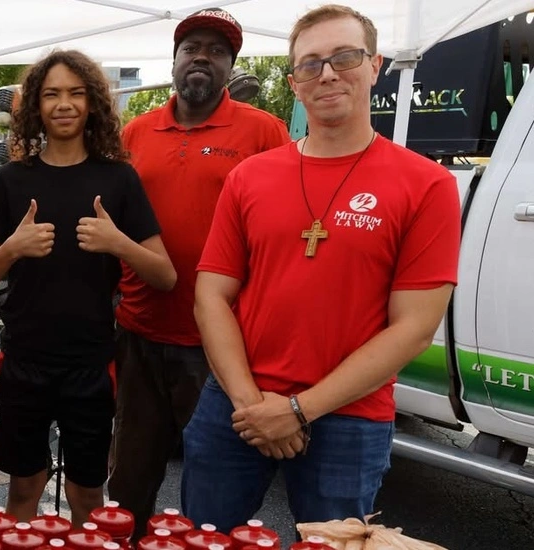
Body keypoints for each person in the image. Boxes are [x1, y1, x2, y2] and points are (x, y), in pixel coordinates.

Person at [182, 4, 460, 531]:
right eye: (310, 64)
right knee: (202, 540)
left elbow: (415, 327)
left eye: (344, 57)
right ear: (294, 82)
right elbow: (211, 296)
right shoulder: (250, 177)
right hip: (235, 406)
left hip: (348, 416)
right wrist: (254, 404)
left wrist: (298, 409)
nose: (327, 73)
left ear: (375, 66)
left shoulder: (427, 185)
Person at [0, 50, 176, 524]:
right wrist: (13, 248)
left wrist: (117, 242)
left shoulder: (118, 178)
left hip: (91, 363)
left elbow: (165, 276)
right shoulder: (10, 180)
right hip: (23, 360)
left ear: (93, 103)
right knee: (23, 490)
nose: (64, 104)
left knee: (87, 495)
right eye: (52, 94)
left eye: (76, 93)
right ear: (36, 106)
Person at [108, 8, 292, 539]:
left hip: (218, 344)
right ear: (174, 61)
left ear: (230, 67)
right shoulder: (136, 132)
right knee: (130, 479)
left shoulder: (264, 131)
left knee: (211, 485)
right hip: (140, 331)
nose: (201, 58)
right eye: (192, 48)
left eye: (215, 51)